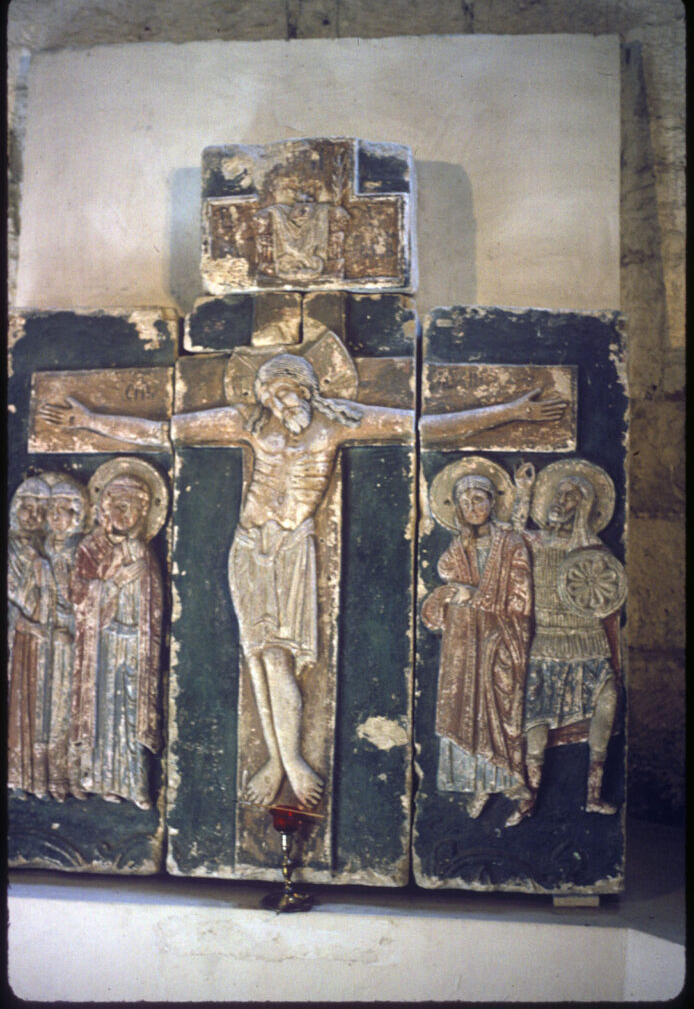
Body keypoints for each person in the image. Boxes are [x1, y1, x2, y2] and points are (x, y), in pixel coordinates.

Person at [39, 345, 565, 809]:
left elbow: (422, 425)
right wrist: (90, 420)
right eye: (271, 395)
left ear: (309, 388)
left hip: (292, 551)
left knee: (279, 659)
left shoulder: (340, 422)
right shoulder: (249, 424)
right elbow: (166, 430)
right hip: (249, 548)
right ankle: (279, 760)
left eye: (287, 392)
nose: (281, 403)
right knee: (256, 657)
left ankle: (286, 761)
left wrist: (511, 412)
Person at [509, 462, 624, 824]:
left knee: (607, 701)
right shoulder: (538, 540)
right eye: (558, 494)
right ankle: (529, 797)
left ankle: (593, 795)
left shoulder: (594, 548)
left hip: (588, 640)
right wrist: (524, 492)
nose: (560, 501)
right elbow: (512, 535)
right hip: (548, 640)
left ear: (584, 506)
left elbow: (609, 593)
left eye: (570, 497)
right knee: (537, 719)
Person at [421, 470, 533, 824]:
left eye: (479, 499)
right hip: (464, 644)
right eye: (465, 501)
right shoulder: (457, 548)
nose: (473, 507)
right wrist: (450, 595)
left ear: (492, 502)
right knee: (464, 710)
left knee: (501, 710)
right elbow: (447, 581)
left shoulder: (511, 543)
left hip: (501, 639)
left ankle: (513, 782)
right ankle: (479, 784)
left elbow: (520, 599)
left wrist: (475, 597)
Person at [70, 466, 164, 809]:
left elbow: (154, 600)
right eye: (120, 506)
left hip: (135, 641)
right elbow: (78, 594)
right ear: (104, 508)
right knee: (102, 710)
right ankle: (100, 780)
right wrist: (114, 582)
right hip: (101, 644)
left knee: (132, 708)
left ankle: (135, 783)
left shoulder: (142, 550)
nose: (127, 514)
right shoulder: (90, 547)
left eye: (136, 508)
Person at [42, 474, 89, 800]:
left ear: (78, 515)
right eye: (51, 510)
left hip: (76, 638)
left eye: (63, 510)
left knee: (73, 710)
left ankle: (75, 775)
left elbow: (86, 597)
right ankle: (49, 775)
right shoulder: (41, 548)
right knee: (48, 711)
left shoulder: (81, 551)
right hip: (45, 639)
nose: (55, 517)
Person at [7, 476, 51, 798]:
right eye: (28, 508)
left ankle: (31, 775)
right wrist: (24, 623)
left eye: (41, 510)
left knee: (34, 708)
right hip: (18, 636)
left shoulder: (45, 549)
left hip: (36, 643)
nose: (34, 516)